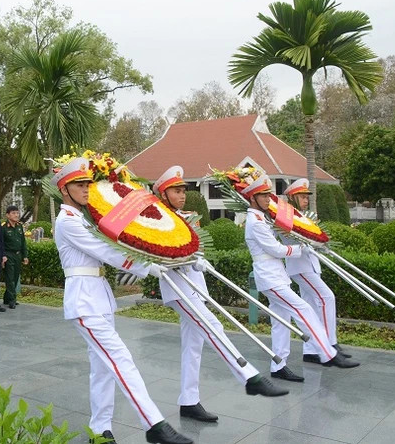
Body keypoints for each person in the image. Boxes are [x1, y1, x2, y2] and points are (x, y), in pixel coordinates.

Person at [52, 157, 192, 444]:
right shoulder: (67, 222)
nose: (86, 189)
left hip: (99, 297)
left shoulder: (83, 218)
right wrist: (148, 265)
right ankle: (153, 424)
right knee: (120, 359)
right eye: (79, 185)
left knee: (103, 366)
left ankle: (99, 429)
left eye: (87, 183)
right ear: (64, 190)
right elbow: (106, 251)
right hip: (84, 302)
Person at [153, 166, 287, 423]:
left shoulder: (187, 217)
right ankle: (249, 377)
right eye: (176, 190)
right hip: (177, 287)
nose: (182, 195)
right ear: (163, 193)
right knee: (212, 325)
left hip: (195, 284)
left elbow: (193, 248)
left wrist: (198, 260)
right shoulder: (157, 220)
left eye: (183, 190)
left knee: (194, 346)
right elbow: (158, 252)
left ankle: (189, 401)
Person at [243, 174, 359, 382]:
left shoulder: (261, 219)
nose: (268, 199)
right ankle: (328, 353)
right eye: (263, 196)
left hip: (276, 275)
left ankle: (278, 366)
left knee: (281, 321)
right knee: (303, 309)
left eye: (269, 195)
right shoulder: (256, 222)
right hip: (270, 277)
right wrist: (302, 248)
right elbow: (276, 249)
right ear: (253, 198)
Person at [282, 179, 354, 363]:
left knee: (312, 306)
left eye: (307, 197)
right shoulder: (286, 217)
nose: (306, 200)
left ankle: (311, 351)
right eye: (302, 197)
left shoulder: (302, 216)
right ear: (292, 197)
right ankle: (330, 345)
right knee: (326, 297)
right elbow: (289, 240)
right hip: (301, 267)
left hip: (310, 265)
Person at [2, 205, 28, 309]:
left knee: (15, 277)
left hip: (18, 255)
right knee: (10, 278)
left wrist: (25, 255)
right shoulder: (3, 227)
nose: (16, 215)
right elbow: (1, 243)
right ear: (7, 215)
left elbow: (23, 242)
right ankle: (12, 299)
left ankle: (6, 297)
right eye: (13, 213)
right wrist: (2, 256)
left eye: (17, 213)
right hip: (9, 255)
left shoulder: (19, 226)